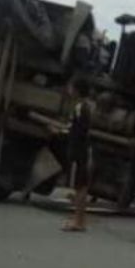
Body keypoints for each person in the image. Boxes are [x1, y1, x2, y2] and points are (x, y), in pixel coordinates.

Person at [62, 78, 92, 232]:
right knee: (82, 187)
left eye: (71, 86)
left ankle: (77, 221)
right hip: (83, 150)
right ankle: (80, 220)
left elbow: (78, 130)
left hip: (78, 151)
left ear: (77, 90)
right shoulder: (86, 106)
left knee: (79, 187)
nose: (68, 89)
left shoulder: (80, 107)